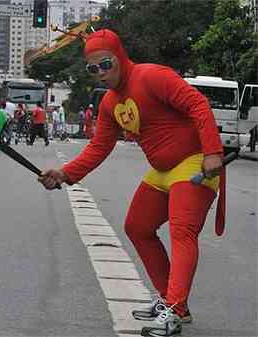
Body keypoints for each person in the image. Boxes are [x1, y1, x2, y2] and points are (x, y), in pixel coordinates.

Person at [38, 29, 224, 337]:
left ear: (120, 57)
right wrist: (65, 173)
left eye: (106, 64)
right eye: (93, 68)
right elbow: (99, 147)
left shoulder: (152, 76)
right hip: (162, 170)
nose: (100, 72)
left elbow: (198, 105)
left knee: (182, 231)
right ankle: (170, 299)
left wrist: (213, 152)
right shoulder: (110, 103)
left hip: (193, 162)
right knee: (137, 227)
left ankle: (175, 310)